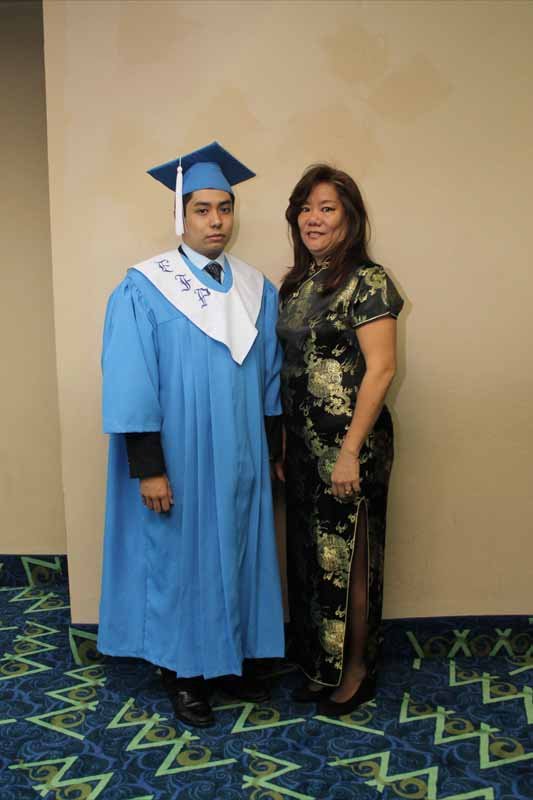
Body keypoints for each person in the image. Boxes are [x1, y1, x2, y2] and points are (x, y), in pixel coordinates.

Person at [97, 142, 285, 728]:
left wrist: (272, 452)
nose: (216, 221)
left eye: (225, 209)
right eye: (202, 210)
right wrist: (149, 466)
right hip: (179, 456)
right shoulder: (145, 286)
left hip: (242, 454)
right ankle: (185, 675)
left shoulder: (256, 289)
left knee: (239, 549)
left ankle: (231, 661)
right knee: (182, 559)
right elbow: (130, 380)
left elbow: (271, 377)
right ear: (181, 216)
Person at [275, 163, 403, 716]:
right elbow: (289, 368)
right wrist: (284, 447)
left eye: (327, 208)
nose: (314, 218)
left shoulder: (369, 281)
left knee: (349, 558)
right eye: (305, 208)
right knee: (310, 559)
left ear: (349, 217)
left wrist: (349, 452)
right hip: (303, 449)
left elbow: (382, 369)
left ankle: (355, 671)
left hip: (351, 448)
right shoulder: (297, 285)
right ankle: (319, 667)